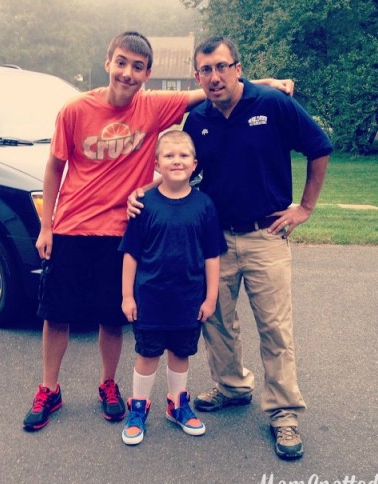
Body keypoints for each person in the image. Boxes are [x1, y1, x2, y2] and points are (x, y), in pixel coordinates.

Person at [23, 31, 293, 432]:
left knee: (112, 318)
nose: (127, 73)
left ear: (147, 73)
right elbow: (54, 167)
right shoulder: (75, 110)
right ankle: (49, 388)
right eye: (121, 63)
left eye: (137, 67)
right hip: (72, 227)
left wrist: (264, 84)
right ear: (107, 62)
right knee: (56, 315)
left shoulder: (152, 107)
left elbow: (208, 91)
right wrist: (47, 225)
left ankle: (109, 386)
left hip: (118, 229)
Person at [128, 36, 333, 459]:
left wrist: (306, 208)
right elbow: (181, 166)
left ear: (238, 68)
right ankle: (233, 386)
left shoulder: (272, 105)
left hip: (266, 235)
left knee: (275, 328)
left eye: (223, 67)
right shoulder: (198, 118)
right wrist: (143, 191)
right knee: (215, 320)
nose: (215, 77)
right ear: (197, 75)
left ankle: (284, 413)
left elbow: (319, 147)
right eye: (206, 70)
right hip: (214, 240)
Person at [119, 130, 225, 445]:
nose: (176, 161)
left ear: (194, 164)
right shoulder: (143, 205)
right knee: (148, 354)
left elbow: (212, 255)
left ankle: (177, 404)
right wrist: (127, 296)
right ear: (157, 164)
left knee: (180, 353)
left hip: (189, 299)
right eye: (169, 156)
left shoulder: (205, 205)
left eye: (183, 156)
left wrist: (211, 296)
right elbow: (131, 254)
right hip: (150, 299)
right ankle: (138, 409)